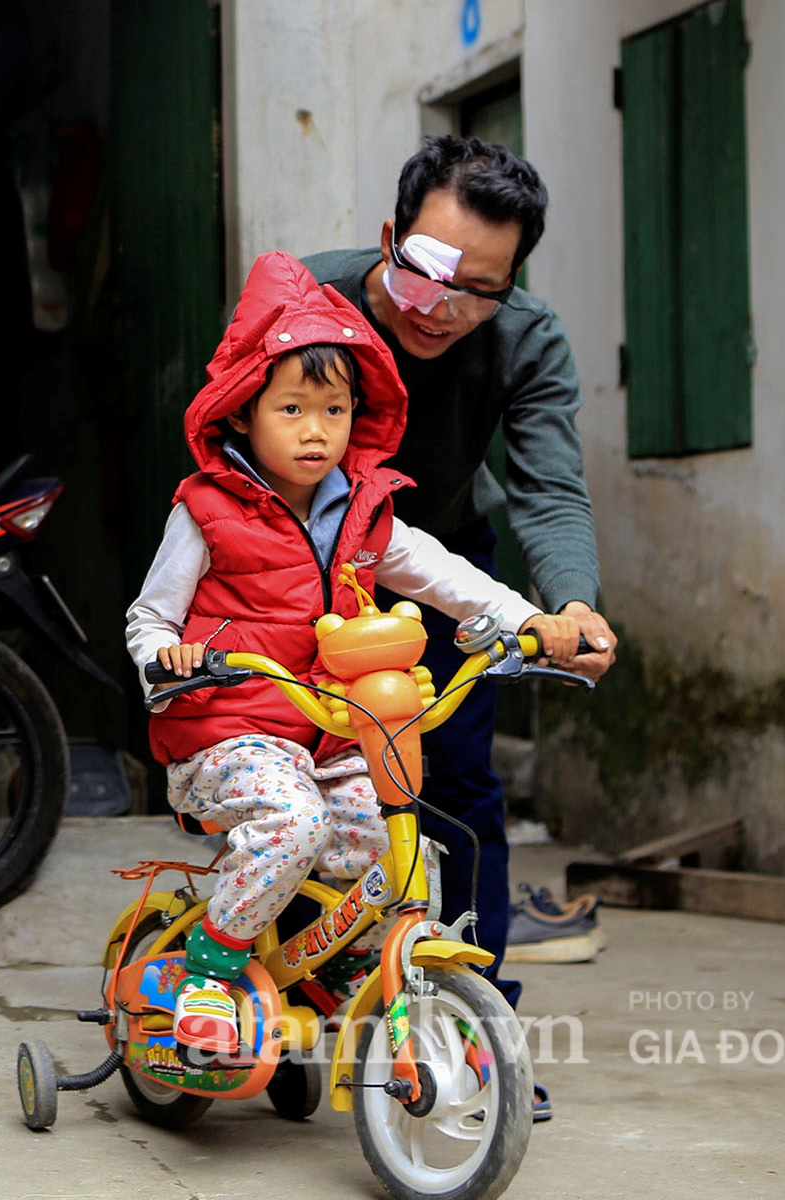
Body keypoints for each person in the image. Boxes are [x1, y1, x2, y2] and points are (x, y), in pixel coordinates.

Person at [124, 250, 584, 1057]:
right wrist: (170, 658)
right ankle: (210, 968)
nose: (315, 431)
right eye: (292, 409)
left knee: (394, 836)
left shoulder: (367, 515)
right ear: (242, 414)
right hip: (228, 729)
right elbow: (149, 617)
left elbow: (449, 579)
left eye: (333, 411)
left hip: (331, 730)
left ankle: (349, 966)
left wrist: (532, 620)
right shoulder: (205, 512)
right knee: (292, 823)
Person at [301, 136, 618, 1026]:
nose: (442, 308)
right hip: (302, 567)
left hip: (446, 569)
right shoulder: (307, 299)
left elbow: (548, 485)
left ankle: (471, 1024)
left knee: (455, 781)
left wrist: (572, 605)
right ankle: (295, 991)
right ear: (389, 235)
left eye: (481, 288)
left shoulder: (524, 339)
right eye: (428, 269)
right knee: (302, 774)